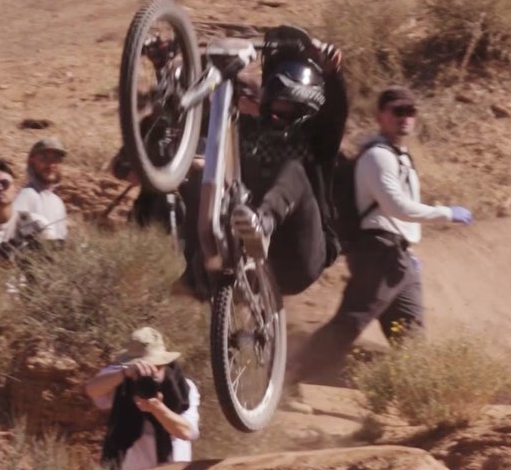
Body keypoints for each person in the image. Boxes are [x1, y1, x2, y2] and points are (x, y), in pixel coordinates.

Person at [292, 84, 473, 381]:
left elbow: (398, 213)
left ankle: (414, 393)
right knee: (350, 321)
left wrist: (407, 248)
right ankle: (290, 375)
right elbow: (396, 206)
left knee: (411, 336)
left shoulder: (400, 156)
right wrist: (447, 214)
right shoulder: (377, 157)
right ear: (380, 116)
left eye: (410, 111)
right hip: (378, 254)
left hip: (398, 257)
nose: (405, 117)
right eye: (397, 111)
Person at [175, 27, 347, 300]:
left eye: (287, 109)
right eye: (275, 108)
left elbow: (336, 112)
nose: (279, 116)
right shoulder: (247, 129)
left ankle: (262, 223)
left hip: (299, 256)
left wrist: (332, 73)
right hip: (247, 246)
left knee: (294, 171)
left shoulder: (317, 140)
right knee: (203, 174)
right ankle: (200, 270)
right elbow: (199, 124)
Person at [85, 326, 200, 470]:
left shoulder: (183, 388)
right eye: (142, 367)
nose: (149, 373)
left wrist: (157, 408)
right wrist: (125, 373)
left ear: (164, 363)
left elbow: (186, 432)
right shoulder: (122, 380)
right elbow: (92, 389)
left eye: (156, 366)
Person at [14, 136, 69, 241]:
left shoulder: (58, 202)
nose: (51, 165)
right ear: (32, 161)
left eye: (56, 159)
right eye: (44, 159)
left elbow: (61, 242)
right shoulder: (27, 195)